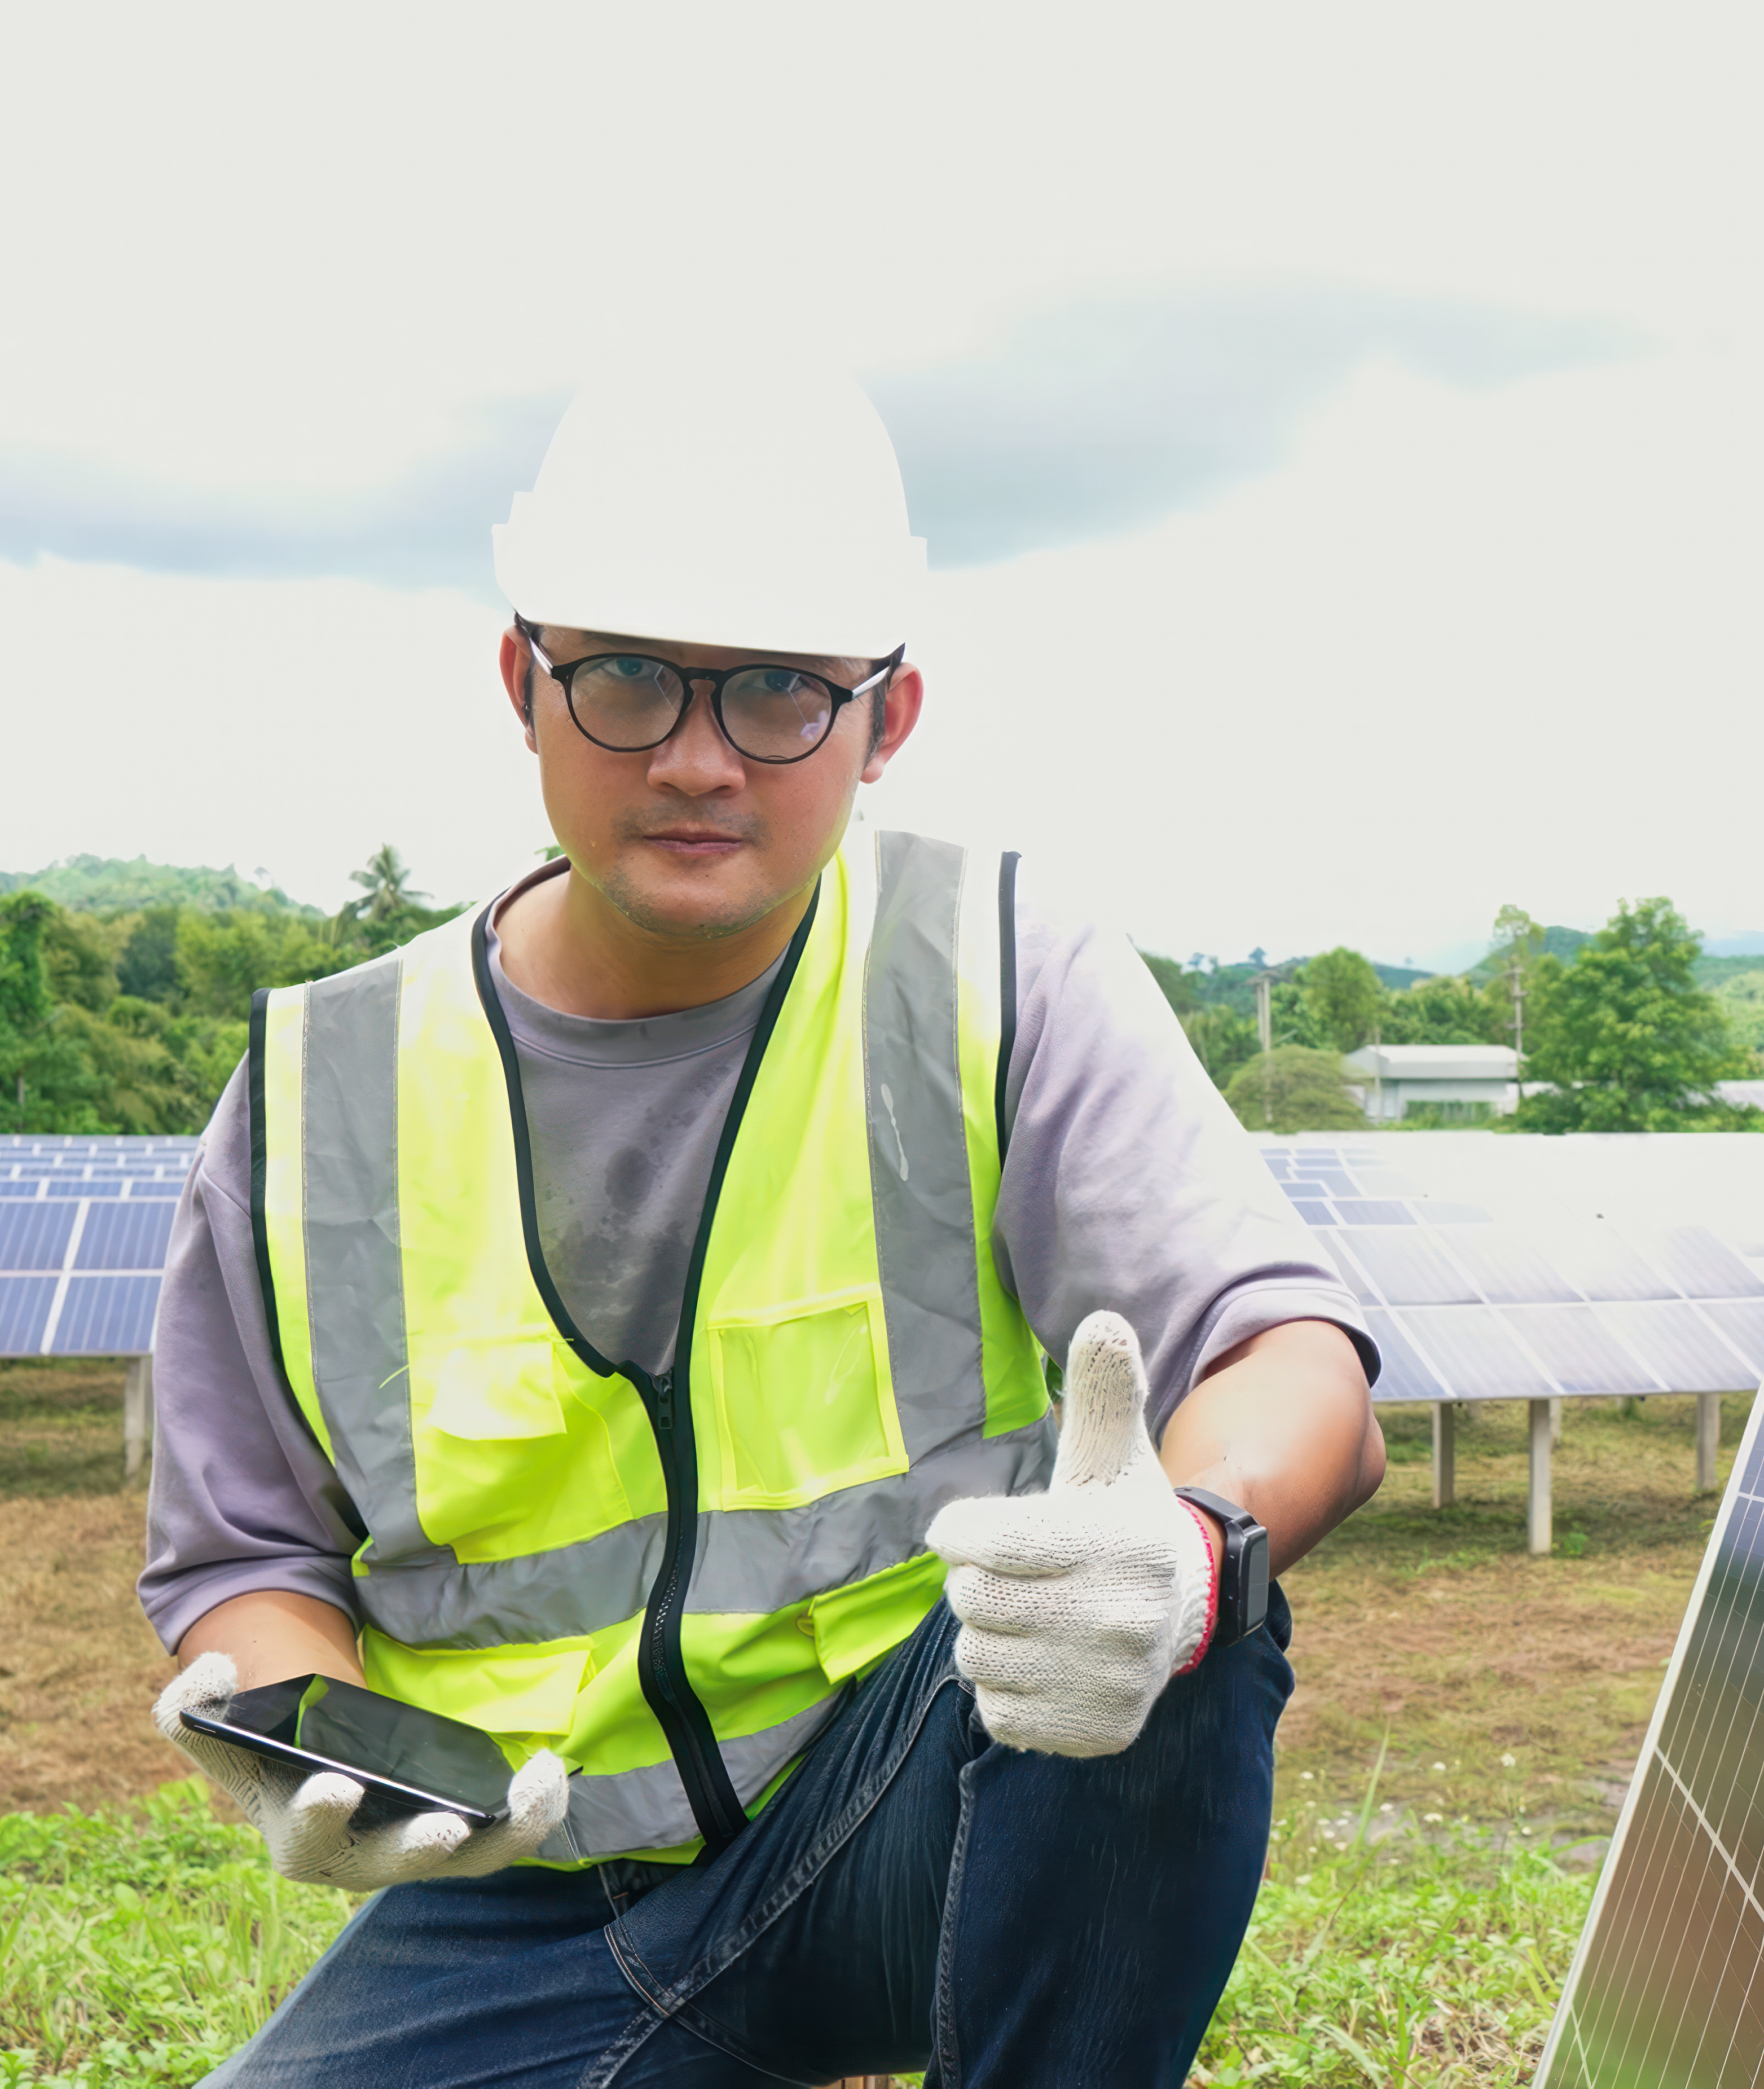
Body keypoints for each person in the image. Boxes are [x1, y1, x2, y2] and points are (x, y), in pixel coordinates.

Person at [134, 358, 1388, 2084]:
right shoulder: (318, 1096)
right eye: (633, 680)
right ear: (523, 680)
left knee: (1165, 1603)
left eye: (785, 694)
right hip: (535, 1890)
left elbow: (1281, 1349)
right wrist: (297, 1727)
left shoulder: (993, 973)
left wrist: (1187, 1544)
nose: (706, 763)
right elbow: (245, 1557)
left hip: (910, 1807)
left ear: (892, 716)